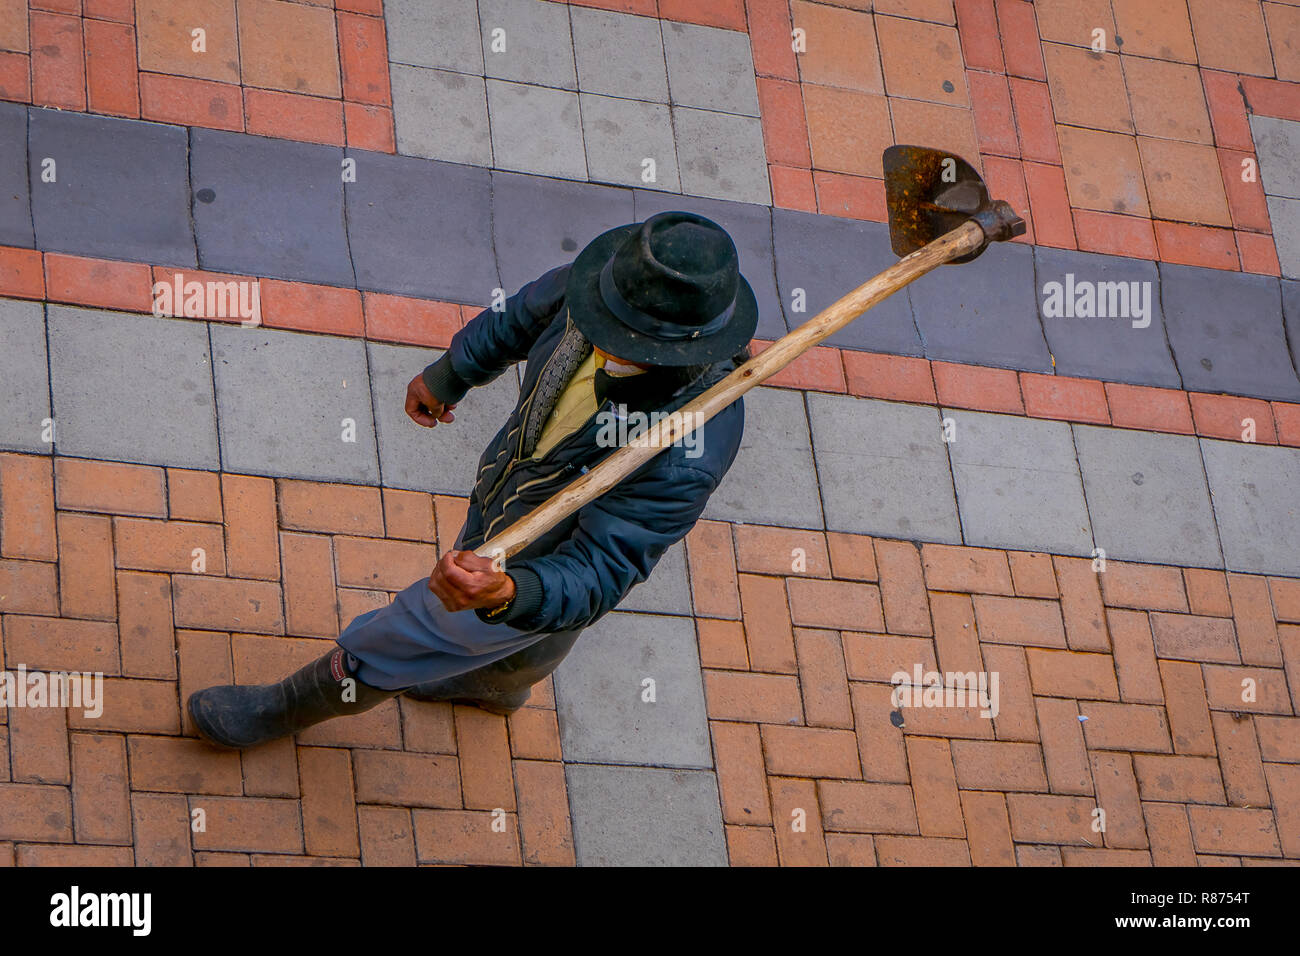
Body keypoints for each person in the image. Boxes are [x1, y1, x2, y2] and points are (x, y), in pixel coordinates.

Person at [188, 211, 759, 749]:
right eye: (601, 318)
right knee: (524, 633)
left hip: (537, 563)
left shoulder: (689, 447)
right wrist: (453, 373)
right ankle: (495, 684)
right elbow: (519, 320)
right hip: (506, 494)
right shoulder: (603, 287)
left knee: (403, 636)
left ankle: (282, 708)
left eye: (623, 338)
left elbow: (605, 566)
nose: (596, 331)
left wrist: (511, 593)